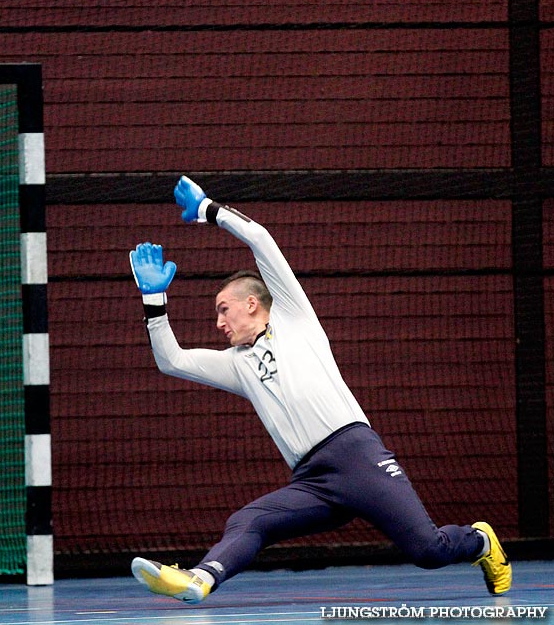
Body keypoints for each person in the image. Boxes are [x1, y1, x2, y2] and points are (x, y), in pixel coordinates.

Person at [128, 175, 512, 604]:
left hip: (358, 457)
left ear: (252, 303)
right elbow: (172, 360)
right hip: (313, 481)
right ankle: (199, 579)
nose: (219, 322)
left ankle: (480, 542)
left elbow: (260, 238)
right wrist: (154, 304)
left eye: (224, 309)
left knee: (428, 551)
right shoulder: (237, 365)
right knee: (249, 520)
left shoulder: (294, 318)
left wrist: (207, 210)